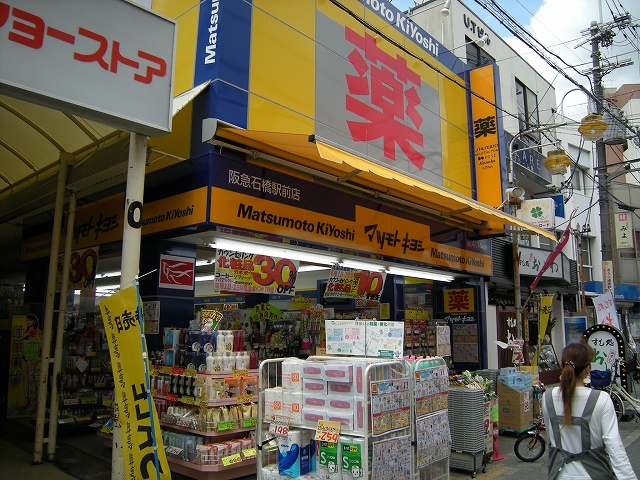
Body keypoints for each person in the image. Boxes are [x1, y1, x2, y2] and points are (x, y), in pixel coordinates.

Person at [542, 342, 637, 479]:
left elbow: (551, 436)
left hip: (559, 474)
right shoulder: (601, 399)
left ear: (562, 366)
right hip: (595, 474)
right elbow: (614, 445)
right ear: (587, 369)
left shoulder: (548, 397)